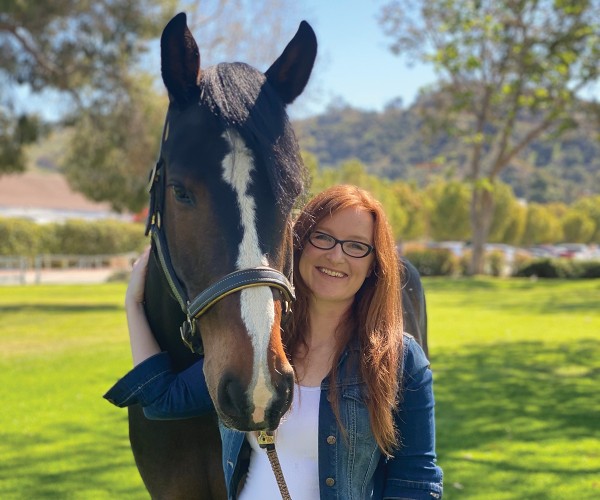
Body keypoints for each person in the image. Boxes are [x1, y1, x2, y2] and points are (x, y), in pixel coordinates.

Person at [104, 184, 443, 500]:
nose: (336, 256)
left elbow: (416, 480)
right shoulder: (261, 345)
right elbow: (163, 400)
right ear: (296, 245)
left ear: (372, 265)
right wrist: (134, 304)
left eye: (356, 246)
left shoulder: (400, 359)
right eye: (322, 238)